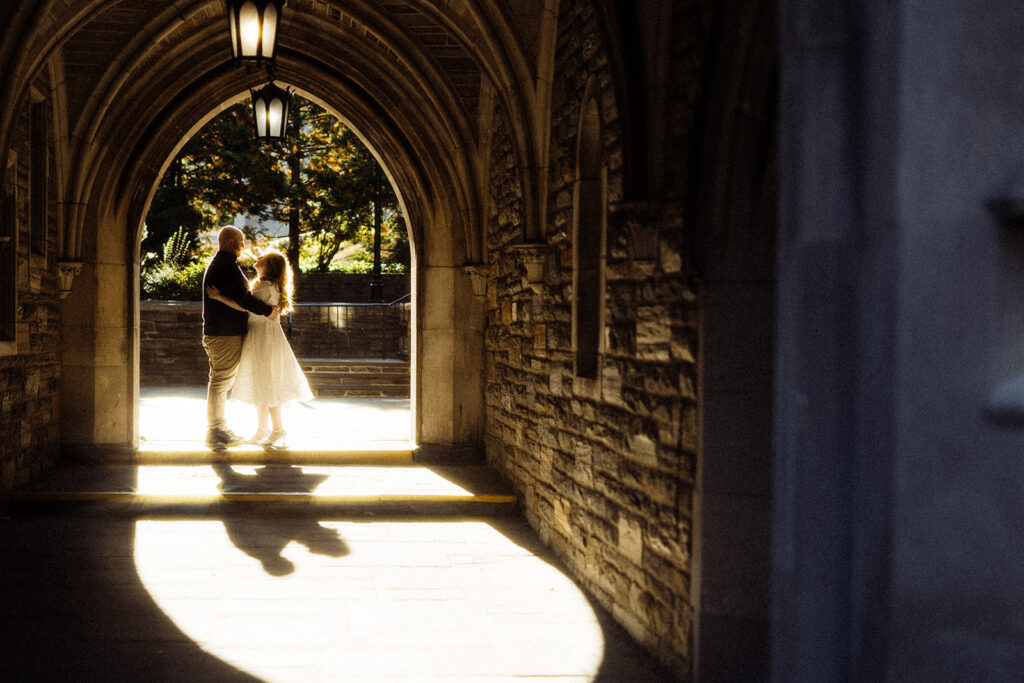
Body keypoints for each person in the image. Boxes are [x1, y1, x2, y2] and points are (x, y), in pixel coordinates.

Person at [207, 248, 313, 449]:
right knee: (265, 384)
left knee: (266, 384)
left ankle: (276, 429)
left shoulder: (264, 287)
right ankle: (264, 429)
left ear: (270, 267)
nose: (258, 258)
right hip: (265, 338)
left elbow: (243, 305)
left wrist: (220, 297)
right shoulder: (270, 286)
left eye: (262, 259)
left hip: (262, 339)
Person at [202, 225, 278, 450]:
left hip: (221, 332)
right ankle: (216, 431)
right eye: (242, 242)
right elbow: (243, 299)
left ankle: (218, 429)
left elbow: (237, 299)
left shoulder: (224, 265)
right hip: (224, 334)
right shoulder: (226, 266)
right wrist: (267, 311)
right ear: (232, 242)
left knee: (220, 380)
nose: (244, 246)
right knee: (220, 381)